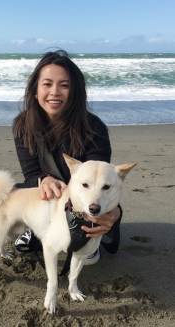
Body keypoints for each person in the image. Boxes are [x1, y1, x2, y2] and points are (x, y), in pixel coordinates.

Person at [12, 49, 122, 265]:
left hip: (82, 201)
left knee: (88, 246)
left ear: (75, 92)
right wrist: (43, 180)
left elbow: (100, 180)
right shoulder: (23, 125)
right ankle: (37, 230)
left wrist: (115, 213)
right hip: (50, 198)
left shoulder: (93, 128)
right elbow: (31, 172)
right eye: (47, 84)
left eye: (64, 85)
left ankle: (85, 238)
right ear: (35, 90)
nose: (55, 92)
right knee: (14, 191)